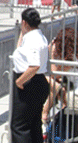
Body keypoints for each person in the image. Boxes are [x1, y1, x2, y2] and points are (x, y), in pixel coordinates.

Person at [11, 8, 49, 143]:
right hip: (36, 81)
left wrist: (19, 82)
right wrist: (22, 32)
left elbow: (34, 65)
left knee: (19, 126)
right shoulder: (37, 36)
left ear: (24, 22)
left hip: (29, 82)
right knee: (33, 125)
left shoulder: (34, 39)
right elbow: (19, 50)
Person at [43, 28, 78, 142]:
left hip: (75, 98)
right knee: (58, 85)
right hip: (73, 95)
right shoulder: (74, 55)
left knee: (47, 80)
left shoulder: (69, 59)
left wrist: (52, 54)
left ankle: (44, 112)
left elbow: (54, 74)